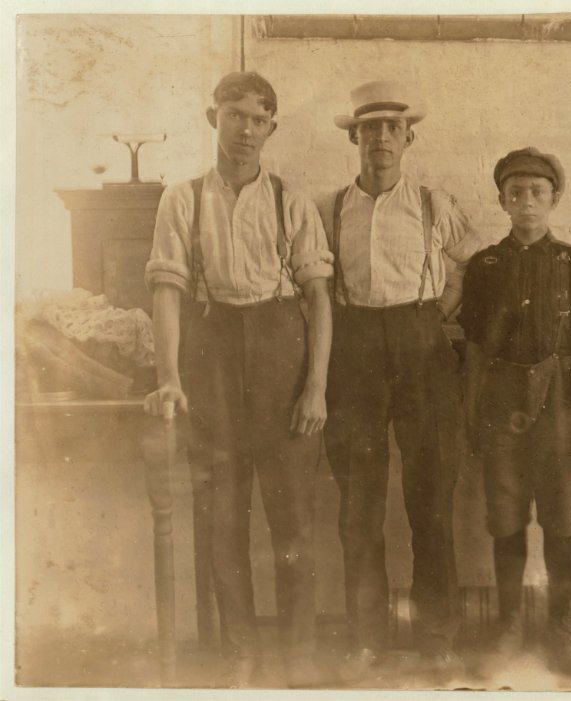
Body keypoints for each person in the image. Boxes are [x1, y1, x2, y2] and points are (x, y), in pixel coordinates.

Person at [143, 71, 334, 688]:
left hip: (283, 351)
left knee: (293, 516)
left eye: (259, 119)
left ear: (272, 127)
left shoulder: (289, 199)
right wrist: (169, 376)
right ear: (213, 117)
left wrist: (316, 388)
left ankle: (300, 648)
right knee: (222, 511)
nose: (245, 130)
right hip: (213, 352)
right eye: (235, 115)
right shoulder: (183, 198)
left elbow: (319, 300)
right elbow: (167, 291)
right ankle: (240, 649)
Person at [317, 80, 482, 676]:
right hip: (354, 349)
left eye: (391, 129)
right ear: (354, 139)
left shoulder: (435, 204)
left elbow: (471, 264)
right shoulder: (328, 208)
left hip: (422, 351)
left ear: (408, 139)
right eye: (369, 129)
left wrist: (438, 311)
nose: (380, 139)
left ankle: (437, 637)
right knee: (359, 505)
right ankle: (368, 637)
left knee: (431, 501)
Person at [460, 148, 571, 679]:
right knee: (507, 516)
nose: (527, 202)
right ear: (501, 200)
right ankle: (510, 623)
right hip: (499, 405)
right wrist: (472, 410)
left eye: (537, 192)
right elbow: (473, 347)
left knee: (560, 518)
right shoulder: (485, 265)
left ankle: (561, 625)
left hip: (559, 402)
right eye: (515, 192)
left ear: (554, 198)